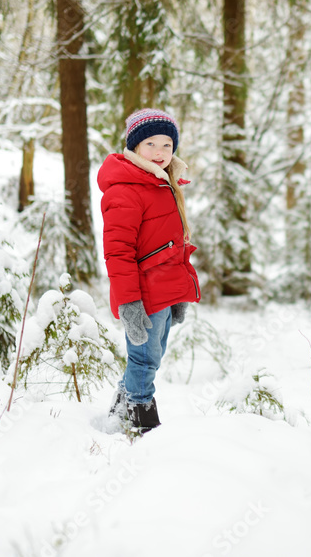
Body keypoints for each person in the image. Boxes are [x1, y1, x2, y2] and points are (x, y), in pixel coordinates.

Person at [97, 108, 201, 434]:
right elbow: (118, 253)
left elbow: (173, 245)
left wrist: (179, 293)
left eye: (167, 145)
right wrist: (129, 303)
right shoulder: (127, 188)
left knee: (151, 357)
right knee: (144, 361)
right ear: (135, 147)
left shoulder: (163, 183)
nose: (159, 153)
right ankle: (142, 427)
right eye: (151, 144)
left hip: (163, 292)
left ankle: (118, 409)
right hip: (142, 296)